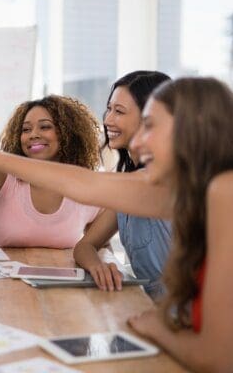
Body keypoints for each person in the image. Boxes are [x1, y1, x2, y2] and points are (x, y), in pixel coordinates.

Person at [0, 77, 233, 372]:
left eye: (149, 126)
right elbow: (85, 184)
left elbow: (218, 358)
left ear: (192, 129)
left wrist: (156, 328)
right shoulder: (187, 190)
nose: (138, 143)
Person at [73, 71, 171, 301]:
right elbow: (85, 245)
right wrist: (98, 266)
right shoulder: (127, 188)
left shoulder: (165, 182)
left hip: (185, 321)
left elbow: (82, 184)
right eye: (109, 109)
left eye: (119, 112)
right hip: (148, 310)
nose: (107, 119)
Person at [0, 95, 101, 248]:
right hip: (7, 273)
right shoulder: (5, 175)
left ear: (68, 133)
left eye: (45, 127)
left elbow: (98, 247)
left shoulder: (85, 189)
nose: (33, 135)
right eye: (26, 129)